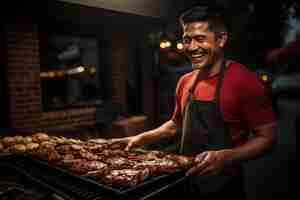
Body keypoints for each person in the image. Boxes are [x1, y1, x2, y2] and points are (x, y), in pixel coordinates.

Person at [112, 4, 276, 199]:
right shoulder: (185, 81)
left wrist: (226, 157)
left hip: (223, 187)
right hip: (183, 181)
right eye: (187, 40)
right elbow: (176, 125)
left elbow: (267, 138)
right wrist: (140, 138)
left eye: (199, 39)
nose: (191, 48)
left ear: (221, 39)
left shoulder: (244, 81)